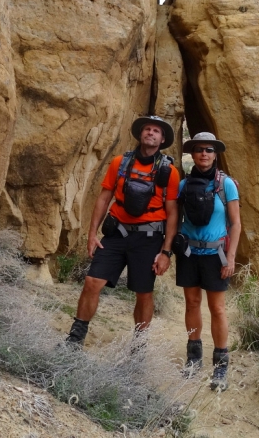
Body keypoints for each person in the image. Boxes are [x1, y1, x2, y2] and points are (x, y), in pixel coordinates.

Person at [65, 115, 181, 347]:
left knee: (143, 292)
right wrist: (92, 234)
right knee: (91, 282)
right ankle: (75, 340)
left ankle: (139, 345)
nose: (150, 133)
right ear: (140, 134)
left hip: (148, 239)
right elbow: (104, 197)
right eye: (147, 129)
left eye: (156, 131)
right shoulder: (120, 163)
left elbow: (173, 213)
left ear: (163, 139)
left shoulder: (169, 172)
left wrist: (166, 252)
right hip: (116, 234)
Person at [175, 132, 240, 391]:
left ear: (215, 154)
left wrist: (231, 257)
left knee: (217, 308)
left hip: (216, 255)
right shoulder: (183, 185)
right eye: (200, 149)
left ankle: (221, 366)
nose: (204, 153)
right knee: (192, 303)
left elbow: (235, 223)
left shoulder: (226, 185)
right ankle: (194, 359)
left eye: (209, 150)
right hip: (190, 253)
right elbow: (175, 218)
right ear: (192, 153)